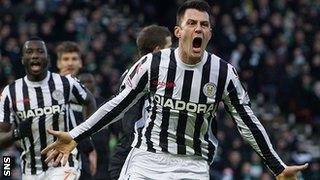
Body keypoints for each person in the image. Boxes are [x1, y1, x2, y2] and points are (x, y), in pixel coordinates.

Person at [41, 1, 308, 179]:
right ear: (179, 32)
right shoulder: (153, 63)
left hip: (191, 165)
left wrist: (277, 167)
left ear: (210, 33)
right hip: (146, 158)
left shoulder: (223, 72)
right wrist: (75, 135)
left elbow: (247, 122)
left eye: (204, 25)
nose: (198, 29)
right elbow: (117, 105)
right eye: (192, 23)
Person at [0, 37, 96, 179]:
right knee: (6, 173)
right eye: (29, 52)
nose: (34, 55)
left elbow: (90, 101)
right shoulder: (10, 92)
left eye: (40, 51)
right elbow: (3, 138)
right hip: (26, 165)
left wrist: (87, 137)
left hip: (65, 163)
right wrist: (16, 133)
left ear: (48, 58)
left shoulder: (66, 84)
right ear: (22, 59)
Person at [108, 24, 172, 180]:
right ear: (158, 50)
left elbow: (116, 119)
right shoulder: (157, 79)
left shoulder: (129, 73)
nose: (173, 51)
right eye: (170, 47)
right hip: (138, 154)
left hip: (126, 151)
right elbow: (129, 122)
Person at [55, 41, 98, 180]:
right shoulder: (49, 87)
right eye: (66, 59)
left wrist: (90, 148)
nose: (70, 63)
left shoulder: (83, 92)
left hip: (79, 155)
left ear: (80, 63)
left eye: (74, 59)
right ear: (58, 63)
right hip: (52, 155)